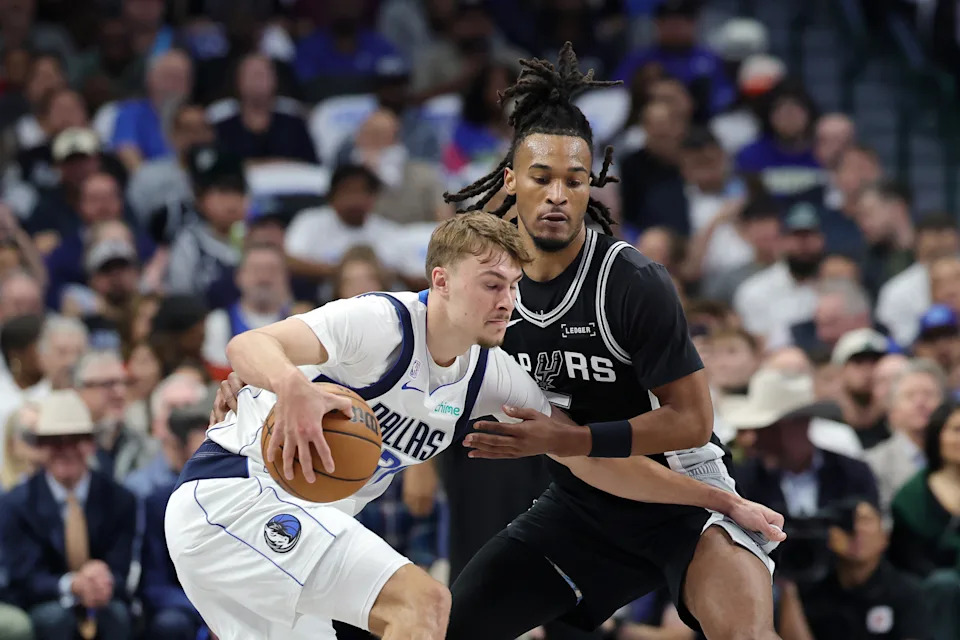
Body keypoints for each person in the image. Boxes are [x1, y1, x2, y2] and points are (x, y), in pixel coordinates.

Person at [196, 212, 784, 640]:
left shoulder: (495, 376)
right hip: (235, 493)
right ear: (441, 281)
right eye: (492, 285)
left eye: (513, 286)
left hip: (305, 521)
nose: (507, 300)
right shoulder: (380, 322)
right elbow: (248, 344)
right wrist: (290, 386)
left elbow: (590, 460)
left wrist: (721, 500)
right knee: (424, 603)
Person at [439, 43, 781, 640]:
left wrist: (573, 438)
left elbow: (692, 422)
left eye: (574, 180)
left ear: (591, 185)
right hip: (584, 500)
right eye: (541, 178)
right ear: (511, 180)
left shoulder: (632, 281)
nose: (557, 195)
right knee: (447, 628)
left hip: (688, 495)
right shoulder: (487, 289)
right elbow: (399, 348)